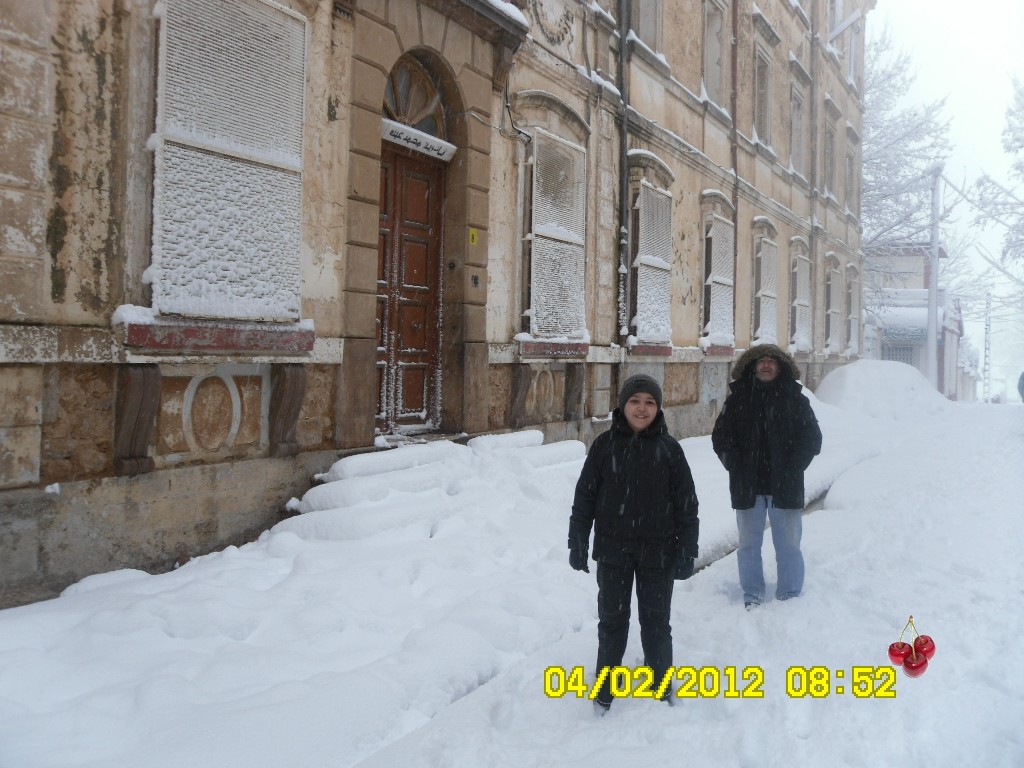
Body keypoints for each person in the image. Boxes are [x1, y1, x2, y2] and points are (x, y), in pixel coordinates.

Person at [568, 374, 700, 715]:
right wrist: (578, 543)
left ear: (658, 409)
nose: (642, 409)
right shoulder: (604, 446)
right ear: (623, 406)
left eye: (650, 403)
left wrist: (687, 549)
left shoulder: (670, 450)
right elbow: (585, 498)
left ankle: (660, 683)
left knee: (657, 623)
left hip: (659, 554)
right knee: (612, 622)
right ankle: (605, 689)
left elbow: (687, 504)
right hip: (613, 553)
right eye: (635, 401)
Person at [711, 345, 822, 610]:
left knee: (788, 545)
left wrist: (793, 467)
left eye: (772, 361)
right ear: (753, 365)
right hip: (747, 486)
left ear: (780, 367)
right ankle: (752, 593)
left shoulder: (795, 399)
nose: (767, 365)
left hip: (785, 486)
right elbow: (721, 438)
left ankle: (790, 593)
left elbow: (812, 439)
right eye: (762, 361)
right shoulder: (738, 399)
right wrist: (736, 467)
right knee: (749, 545)